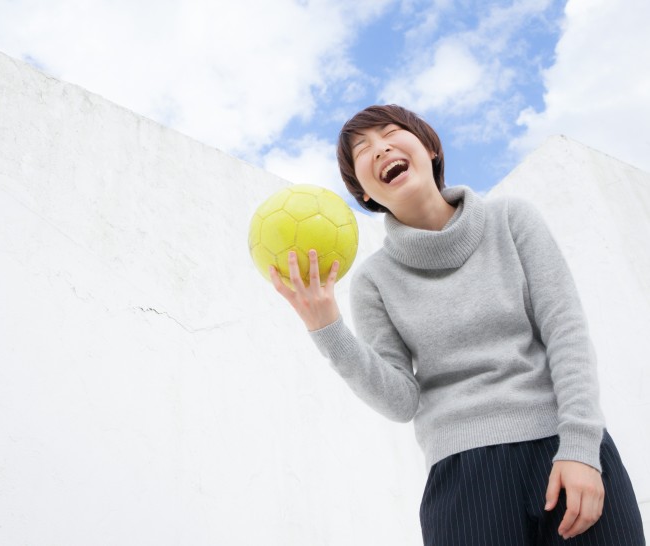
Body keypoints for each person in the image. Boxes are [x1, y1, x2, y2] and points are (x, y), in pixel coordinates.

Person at [269, 104, 645, 545]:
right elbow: (400, 401)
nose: (380, 147)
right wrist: (325, 326)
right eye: (362, 150)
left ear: (430, 148)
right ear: (364, 194)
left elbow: (566, 332)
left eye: (391, 133)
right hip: (463, 475)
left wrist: (581, 446)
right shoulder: (374, 280)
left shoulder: (512, 220)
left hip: (564, 447)